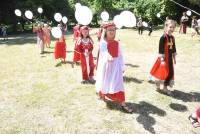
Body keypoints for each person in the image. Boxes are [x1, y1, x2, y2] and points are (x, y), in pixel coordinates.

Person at [95, 22, 133, 113]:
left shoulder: (117, 42)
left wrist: (122, 66)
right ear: (105, 31)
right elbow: (104, 51)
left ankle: (123, 104)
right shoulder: (103, 42)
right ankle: (103, 95)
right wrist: (108, 56)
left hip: (116, 67)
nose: (111, 32)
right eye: (109, 30)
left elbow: (120, 55)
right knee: (105, 82)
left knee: (119, 84)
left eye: (113, 30)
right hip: (107, 67)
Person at [149, 20, 177, 95]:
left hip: (169, 59)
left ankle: (165, 87)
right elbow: (161, 49)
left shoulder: (172, 38)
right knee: (161, 73)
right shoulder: (163, 37)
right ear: (166, 27)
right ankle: (157, 85)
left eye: (173, 27)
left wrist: (174, 54)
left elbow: (173, 47)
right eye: (170, 27)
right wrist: (162, 59)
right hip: (163, 59)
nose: (172, 29)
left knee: (170, 73)